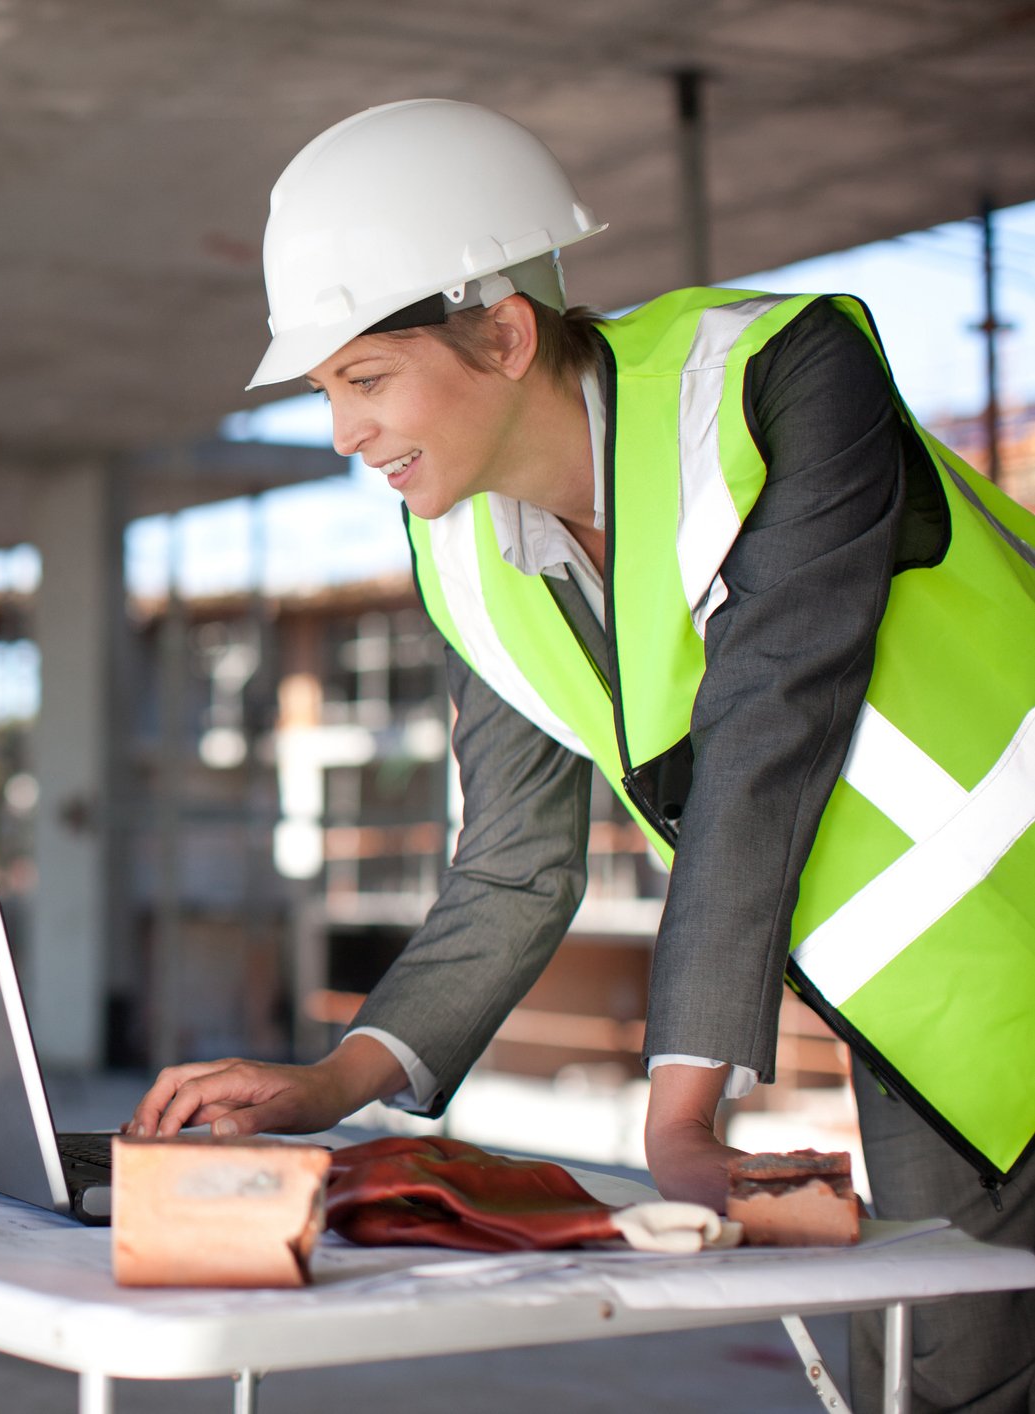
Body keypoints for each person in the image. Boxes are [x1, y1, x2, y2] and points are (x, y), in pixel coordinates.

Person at [125, 98, 1035, 1413]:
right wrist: (333, 1082)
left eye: (365, 381)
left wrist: (674, 1111)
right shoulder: (463, 556)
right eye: (327, 392)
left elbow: (763, 728)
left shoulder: (780, 376)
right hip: (949, 1025)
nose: (342, 435)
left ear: (500, 332)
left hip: (996, 958)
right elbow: (509, 866)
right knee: (934, 1385)